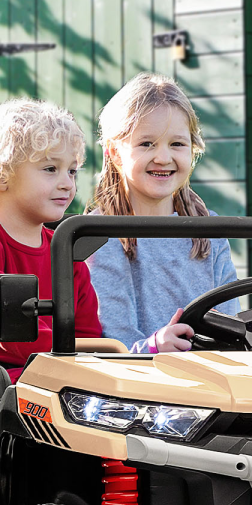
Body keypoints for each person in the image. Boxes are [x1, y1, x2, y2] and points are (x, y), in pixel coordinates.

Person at [0, 98, 102, 407]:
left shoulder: (64, 252)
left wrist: (89, 357)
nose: (67, 183)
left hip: (57, 376)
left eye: (73, 171)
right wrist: (65, 354)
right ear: (0, 174)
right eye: (51, 169)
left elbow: (89, 332)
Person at [85, 73, 238, 354]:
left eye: (177, 144)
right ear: (115, 153)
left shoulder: (210, 231)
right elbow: (114, 343)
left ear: (193, 150)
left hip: (210, 380)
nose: (163, 158)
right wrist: (155, 347)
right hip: (141, 389)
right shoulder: (101, 237)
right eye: (147, 144)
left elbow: (230, 322)